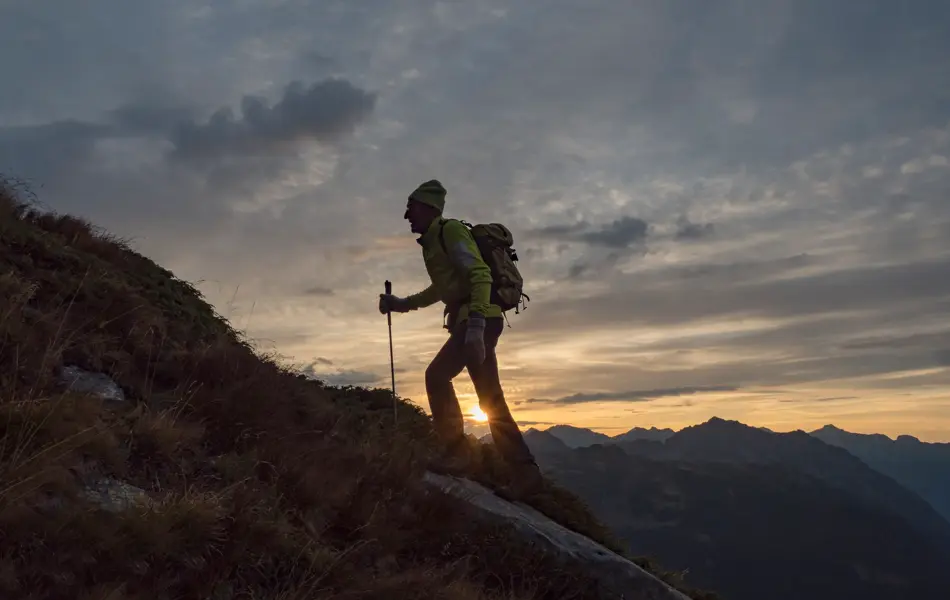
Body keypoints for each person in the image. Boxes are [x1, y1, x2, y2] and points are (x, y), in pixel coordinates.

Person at [378, 179, 543, 500]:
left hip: (478, 319)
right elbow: (442, 290)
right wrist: (401, 304)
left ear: (428, 208)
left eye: (411, 208)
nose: (406, 216)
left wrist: (477, 327)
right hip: (472, 319)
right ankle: (525, 474)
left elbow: (479, 274)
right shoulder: (433, 243)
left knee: (438, 377)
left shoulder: (449, 231)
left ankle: (459, 455)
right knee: (488, 397)